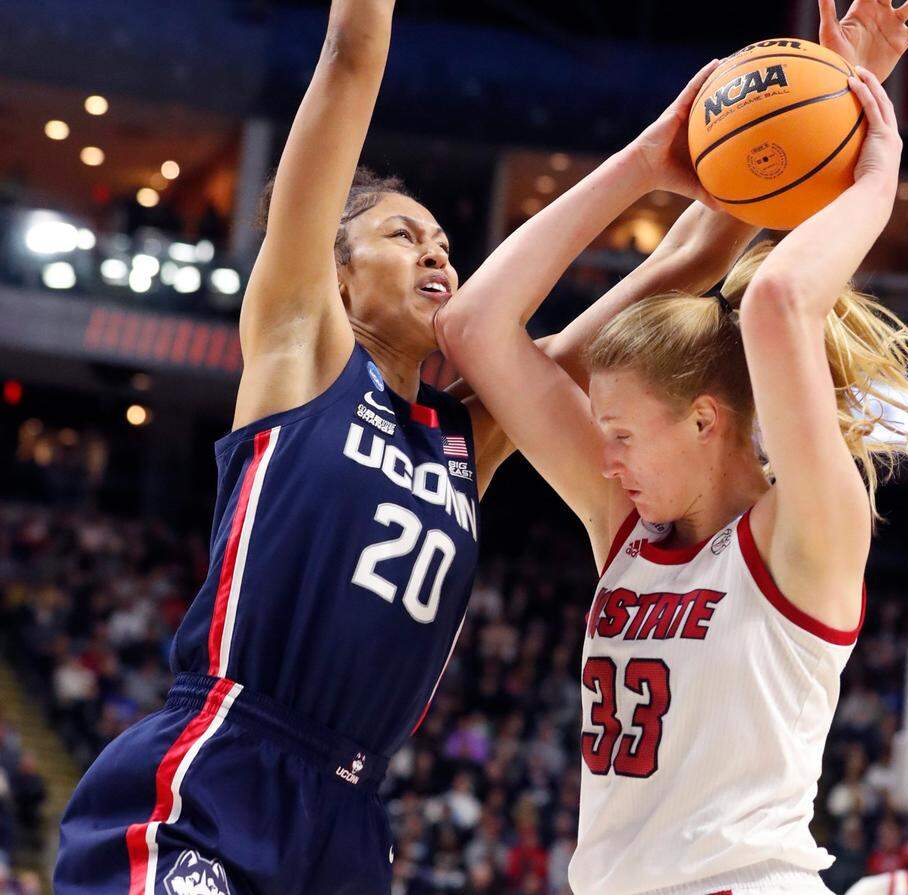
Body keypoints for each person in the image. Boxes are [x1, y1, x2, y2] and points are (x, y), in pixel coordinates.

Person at [52, 3, 759, 894]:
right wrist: (645, 158)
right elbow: (351, 54)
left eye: (445, 246)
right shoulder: (301, 349)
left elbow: (675, 269)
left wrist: (801, 120)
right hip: (224, 764)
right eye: (402, 236)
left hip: (350, 816)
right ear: (336, 272)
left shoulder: (469, 435)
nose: (437, 257)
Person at [436, 51, 908, 895]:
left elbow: (778, 300)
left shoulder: (805, 533)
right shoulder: (626, 525)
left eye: (622, 433)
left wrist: (872, 173)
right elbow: (475, 326)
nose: (606, 455)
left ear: (706, 419)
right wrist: (644, 163)